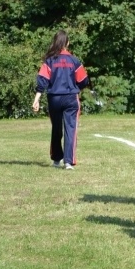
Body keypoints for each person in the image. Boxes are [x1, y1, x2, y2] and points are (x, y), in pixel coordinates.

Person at [32, 30, 92, 170]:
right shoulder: (74, 60)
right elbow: (84, 80)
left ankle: (56, 159)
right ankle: (68, 162)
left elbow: (42, 80)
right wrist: (75, 88)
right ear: (67, 43)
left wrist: (36, 100)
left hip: (54, 98)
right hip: (71, 98)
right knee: (71, 128)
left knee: (56, 128)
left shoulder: (49, 60)